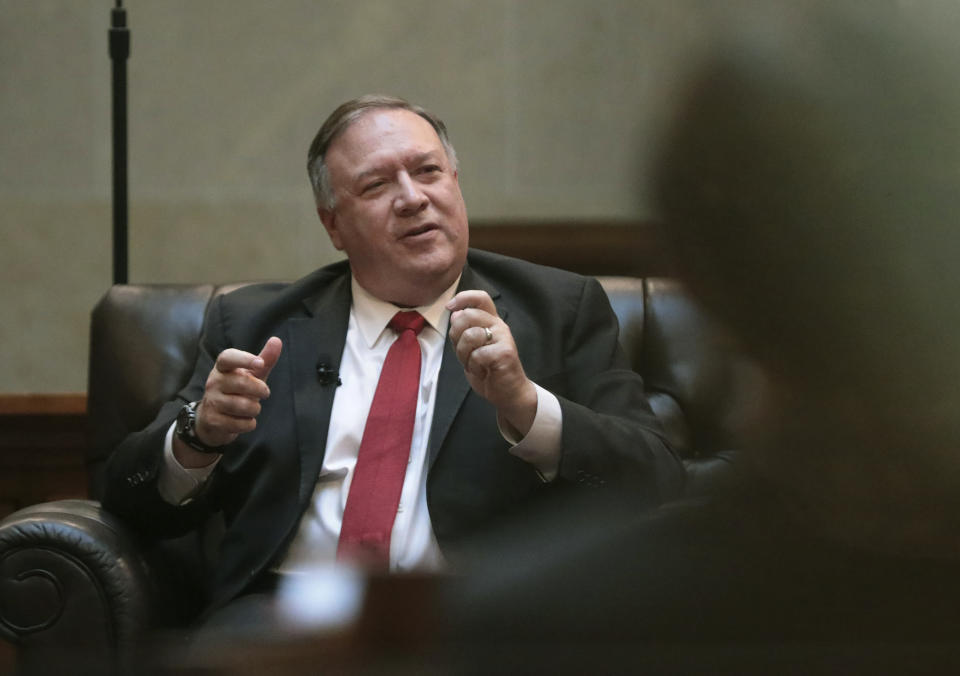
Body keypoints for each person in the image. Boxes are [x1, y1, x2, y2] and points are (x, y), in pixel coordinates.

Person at [101, 94, 684, 619]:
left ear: (455, 182)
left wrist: (527, 406)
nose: (412, 199)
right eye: (377, 186)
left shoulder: (560, 309)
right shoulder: (254, 326)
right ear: (334, 224)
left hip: (476, 614)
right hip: (285, 614)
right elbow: (128, 498)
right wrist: (198, 435)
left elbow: (654, 479)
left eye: (428, 171)